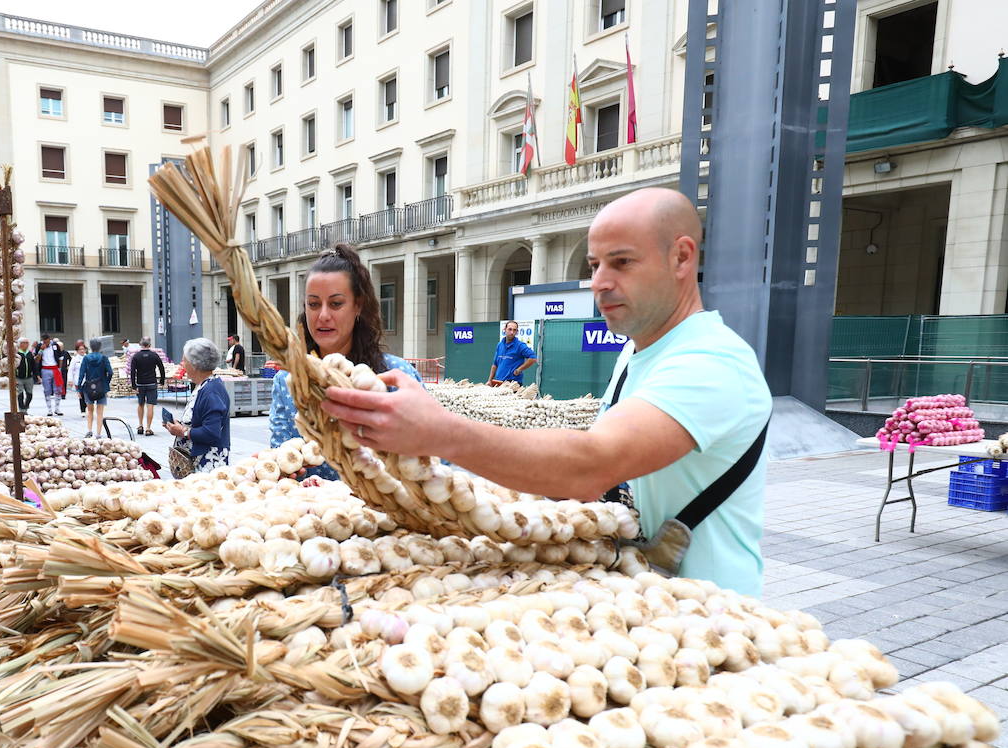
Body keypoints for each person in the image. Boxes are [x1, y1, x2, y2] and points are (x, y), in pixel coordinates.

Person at [322, 188, 772, 594]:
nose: (600, 282)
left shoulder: (713, 363)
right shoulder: (637, 352)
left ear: (681, 257)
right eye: (595, 265)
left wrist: (438, 431)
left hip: (714, 626)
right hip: (657, 605)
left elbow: (593, 463)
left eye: (622, 262)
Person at [269, 244, 423, 481]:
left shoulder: (396, 375)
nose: (322, 316)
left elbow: (429, 460)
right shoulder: (286, 381)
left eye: (336, 303)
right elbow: (281, 455)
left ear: (358, 306)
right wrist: (284, 471)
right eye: (313, 304)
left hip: (383, 514)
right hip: (311, 513)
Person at [164, 338, 231, 473]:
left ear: (195, 364)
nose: (183, 365)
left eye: (185, 361)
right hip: (200, 460)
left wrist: (182, 431)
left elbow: (211, 432)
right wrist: (181, 426)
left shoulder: (211, 391)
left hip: (207, 464)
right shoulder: (204, 386)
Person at [129, 337, 166, 435]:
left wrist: (133, 385)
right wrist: (162, 380)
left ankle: (140, 425)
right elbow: (161, 368)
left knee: (140, 404)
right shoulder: (154, 355)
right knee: (150, 406)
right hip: (151, 383)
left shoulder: (136, 356)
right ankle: (148, 428)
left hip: (140, 383)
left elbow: (132, 372)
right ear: (149, 345)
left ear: (140, 345)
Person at [77, 339, 113, 437]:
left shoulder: (86, 358)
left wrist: (79, 388)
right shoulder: (104, 358)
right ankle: (98, 433)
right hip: (101, 386)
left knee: (89, 410)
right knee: (100, 411)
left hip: (89, 387)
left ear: (91, 347)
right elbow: (110, 372)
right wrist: (106, 383)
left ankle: (89, 430)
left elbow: (81, 374)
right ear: (100, 347)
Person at [488, 319, 537, 387]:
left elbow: (533, 358)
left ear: (517, 332)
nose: (512, 332)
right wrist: (490, 380)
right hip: (498, 382)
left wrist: (519, 369)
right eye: (510, 329)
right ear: (505, 329)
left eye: (514, 330)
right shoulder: (500, 345)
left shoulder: (520, 345)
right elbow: (495, 364)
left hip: (513, 384)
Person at [39, 337, 62, 415]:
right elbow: (37, 359)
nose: (46, 343)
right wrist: (41, 350)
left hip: (55, 368)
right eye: (44, 342)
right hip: (45, 369)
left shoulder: (55, 346)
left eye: (47, 341)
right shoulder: (40, 346)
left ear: (49, 340)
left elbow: (60, 357)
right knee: (47, 390)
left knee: (58, 389)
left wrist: (60, 368)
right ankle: (49, 409)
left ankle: (57, 408)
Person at [14, 338, 38, 412]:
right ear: (20, 344)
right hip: (19, 378)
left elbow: (33, 365)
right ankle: (22, 410)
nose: (26, 344)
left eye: (27, 343)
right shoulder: (17, 354)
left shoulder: (29, 353)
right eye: (24, 343)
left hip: (29, 378)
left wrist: (36, 375)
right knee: (20, 394)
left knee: (29, 394)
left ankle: (26, 407)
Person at [66, 340, 87, 419]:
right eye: (80, 349)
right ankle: (83, 410)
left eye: (83, 349)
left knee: (87, 395)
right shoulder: (74, 359)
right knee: (81, 396)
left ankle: (87, 407)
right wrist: (70, 380)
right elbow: (71, 370)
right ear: (77, 351)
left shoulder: (88, 357)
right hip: (78, 380)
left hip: (87, 380)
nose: (82, 351)